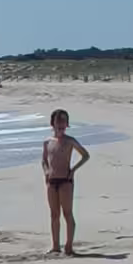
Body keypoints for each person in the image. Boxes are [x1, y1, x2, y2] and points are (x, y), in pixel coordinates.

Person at [42, 108, 90, 255]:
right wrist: (46, 172)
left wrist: (73, 170)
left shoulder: (70, 141)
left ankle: (69, 246)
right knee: (54, 214)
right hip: (51, 181)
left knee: (67, 213)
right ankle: (55, 245)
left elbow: (85, 155)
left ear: (67, 124)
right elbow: (44, 160)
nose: (61, 125)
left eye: (64, 121)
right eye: (58, 121)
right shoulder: (47, 142)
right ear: (52, 123)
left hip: (65, 181)